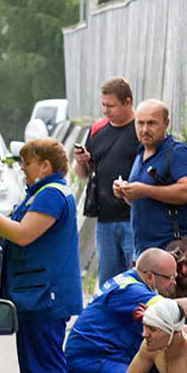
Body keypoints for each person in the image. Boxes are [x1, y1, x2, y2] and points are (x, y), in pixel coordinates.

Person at [0, 138, 82, 373]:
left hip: (45, 294)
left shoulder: (51, 195)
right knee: (32, 361)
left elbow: (23, 234)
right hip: (34, 292)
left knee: (45, 361)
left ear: (45, 165)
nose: (24, 169)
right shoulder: (42, 193)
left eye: (27, 163)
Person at [74, 77, 140, 284]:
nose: (105, 111)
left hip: (134, 218)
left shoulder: (142, 130)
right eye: (103, 105)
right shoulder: (97, 130)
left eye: (110, 106)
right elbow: (84, 174)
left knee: (136, 281)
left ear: (127, 102)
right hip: (105, 220)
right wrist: (81, 161)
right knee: (109, 283)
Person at [113, 99, 187, 253]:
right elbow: (140, 200)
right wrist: (125, 192)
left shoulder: (177, 152)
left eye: (151, 123)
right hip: (142, 251)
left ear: (166, 123)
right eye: (140, 123)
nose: (144, 129)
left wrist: (146, 190)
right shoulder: (140, 153)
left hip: (171, 252)